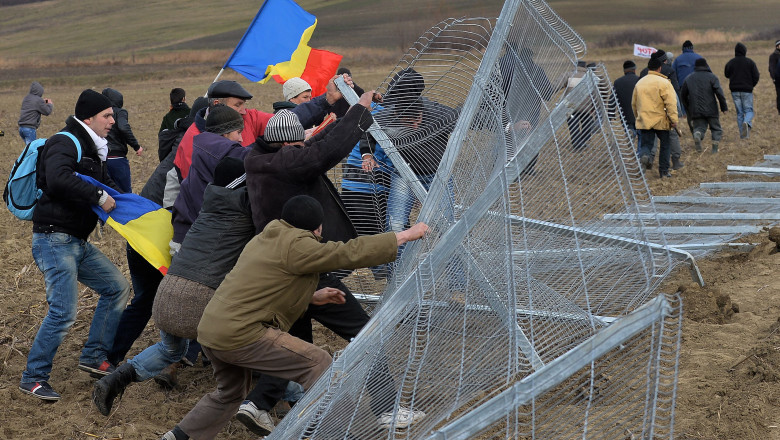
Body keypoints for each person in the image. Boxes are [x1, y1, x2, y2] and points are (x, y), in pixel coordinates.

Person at [159, 195, 429, 440]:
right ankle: (325, 434)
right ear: (317, 227)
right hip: (241, 334)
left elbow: (266, 286)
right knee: (319, 363)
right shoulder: (299, 245)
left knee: (229, 394)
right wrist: (403, 236)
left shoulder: (268, 236)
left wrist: (312, 296)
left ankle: (179, 437)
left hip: (211, 331)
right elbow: (347, 252)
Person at [93, 156, 255, 416]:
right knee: (257, 344)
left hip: (166, 294)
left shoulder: (204, 210)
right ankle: (283, 397)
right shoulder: (244, 216)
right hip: (200, 302)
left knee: (170, 348)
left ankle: (115, 380)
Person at [18, 89, 131, 401]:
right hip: (54, 239)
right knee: (64, 311)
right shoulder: (65, 141)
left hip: (75, 241)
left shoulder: (94, 149)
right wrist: (97, 197)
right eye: (107, 116)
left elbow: (112, 189)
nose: (113, 120)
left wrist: (142, 208)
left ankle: (94, 356)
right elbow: (57, 178)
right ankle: (33, 377)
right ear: (88, 118)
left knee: (117, 287)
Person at [105, 97, 210, 370]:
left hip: (142, 235)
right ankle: (179, 358)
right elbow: (181, 206)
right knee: (194, 294)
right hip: (159, 238)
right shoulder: (194, 154)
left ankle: (109, 356)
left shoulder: (183, 144)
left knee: (147, 300)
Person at [173, 77, 347, 181]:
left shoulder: (248, 117)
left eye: (244, 105)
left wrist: (327, 99)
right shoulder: (193, 142)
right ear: (217, 104)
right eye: (238, 105)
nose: (243, 110)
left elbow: (286, 121)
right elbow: (200, 194)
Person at [171, 105, 248, 247]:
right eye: (238, 132)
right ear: (225, 134)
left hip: (186, 235)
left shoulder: (204, 150)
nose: (241, 139)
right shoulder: (223, 152)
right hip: (198, 243)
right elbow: (253, 158)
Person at [632, 56, 678, 178]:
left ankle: (645, 156)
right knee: (665, 144)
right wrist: (673, 120)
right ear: (659, 68)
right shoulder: (664, 83)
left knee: (646, 144)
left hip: (645, 120)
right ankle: (663, 171)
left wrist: (638, 117)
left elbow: (634, 104)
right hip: (661, 120)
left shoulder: (640, 83)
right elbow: (671, 103)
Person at [640, 50, 683, 170]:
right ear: (665, 61)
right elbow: (674, 93)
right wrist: (676, 114)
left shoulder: (644, 72)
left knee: (650, 139)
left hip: (647, 111)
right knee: (670, 137)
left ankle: (649, 159)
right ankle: (675, 161)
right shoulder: (669, 71)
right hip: (664, 112)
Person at [681, 58, 728, 153]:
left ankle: (697, 134)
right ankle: (714, 149)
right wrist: (724, 107)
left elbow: (683, 95)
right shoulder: (712, 77)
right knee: (716, 128)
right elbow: (719, 93)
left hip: (696, 109)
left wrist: (688, 107)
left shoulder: (688, 78)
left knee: (699, 127)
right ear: (706, 65)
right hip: (711, 109)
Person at [102, 88, 144, 193]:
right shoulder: (120, 112)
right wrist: (136, 146)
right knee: (125, 194)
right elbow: (123, 127)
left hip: (101, 160)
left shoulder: (98, 114)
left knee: (107, 195)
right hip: (117, 159)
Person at [724, 42, 760, 139]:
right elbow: (756, 75)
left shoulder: (730, 62)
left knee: (739, 113)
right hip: (747, 90)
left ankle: (743, 136)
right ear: (745, 51)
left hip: (735, 91)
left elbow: (726, 74)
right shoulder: (750, 62)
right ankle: (746, 122)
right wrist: (751, 85)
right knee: (749, 110)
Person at [17, 81, 53, 145]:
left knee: (28, 149)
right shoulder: (38, 100)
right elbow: (47, 111)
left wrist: (42, 102)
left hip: (21, 128)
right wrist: (49, 104)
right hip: (29, 129)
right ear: (40, 91)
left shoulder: (26, 98)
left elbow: (33, 105)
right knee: (32, 150)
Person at [613, 60, 640, 141]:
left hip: (624, 112)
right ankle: (639, 150)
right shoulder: (640, 80)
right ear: (634, 70)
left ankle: (630, 133)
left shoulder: (617, 82)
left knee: (628, 126)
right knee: (640, 131)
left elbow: (612, 97)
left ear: (624, 71)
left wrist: (611, 112)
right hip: (638, 110)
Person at [769, 40, 780, 115]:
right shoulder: (773, 56)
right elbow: (771, 68)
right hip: (778, 79)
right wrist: (773, 78)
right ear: (777, 46)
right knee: (779, 95)